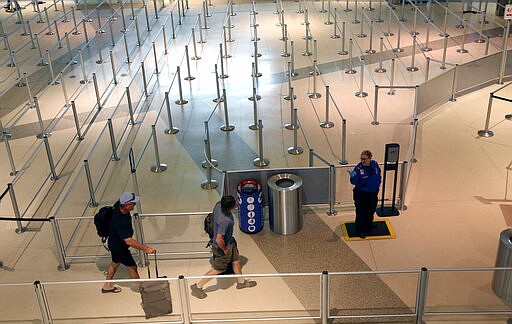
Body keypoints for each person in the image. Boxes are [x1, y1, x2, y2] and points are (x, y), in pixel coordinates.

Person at [190, 195, 257, 299]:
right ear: (230, 207)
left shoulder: (218, 205)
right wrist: (225, 249)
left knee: (235, 261)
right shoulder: (226, 221)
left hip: (230, 242)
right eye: (235, 203)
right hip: (222, 247)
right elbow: (219, 239)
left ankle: (241, 282)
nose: (236, 203)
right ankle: (197, 286)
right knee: (218, 269)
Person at [101, 192, 155, 293]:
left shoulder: (119, 206)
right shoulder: (120, 220)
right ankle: (141, 287)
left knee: (115, 263)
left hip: (113, 243)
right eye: (133, 203)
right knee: (132, 266)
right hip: (119, 247)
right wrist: (146, 249)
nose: (134, 205)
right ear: (126, 205)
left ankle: (107, 285)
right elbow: (128, 241)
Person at [348, 150, 382, 239]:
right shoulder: (358, 169)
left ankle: (369, 225)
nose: (363, 161)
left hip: (373, 193)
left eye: (365, 159)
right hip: (362, 195)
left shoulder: (375, 165)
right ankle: (360, 230)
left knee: (371, 211)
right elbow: (354, 182)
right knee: (361, 213)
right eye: (361, 159)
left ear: (370, 158)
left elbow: (378, 177)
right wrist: (353, 177)